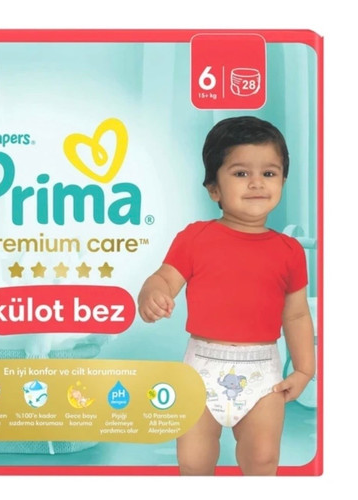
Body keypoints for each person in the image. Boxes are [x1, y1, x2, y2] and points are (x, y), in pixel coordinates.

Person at [138, 116, 315, 476]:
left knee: (262, 459)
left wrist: (304, 369)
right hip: (202, 366)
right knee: (193, 460)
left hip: (262, 370)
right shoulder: (195, 238)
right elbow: (164, 279)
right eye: (240, 173)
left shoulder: (289, 251)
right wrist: (152, 294)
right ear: (213, 189)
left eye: (269, 173)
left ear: (283, 181)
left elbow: (296, 314)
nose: (256, 183)